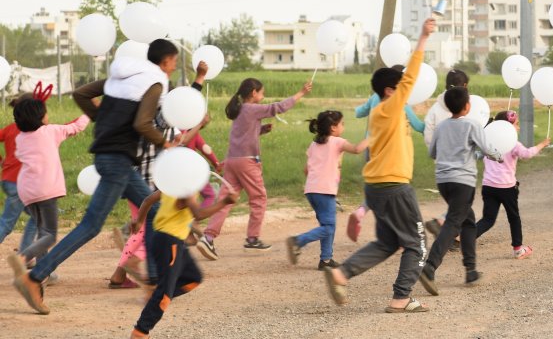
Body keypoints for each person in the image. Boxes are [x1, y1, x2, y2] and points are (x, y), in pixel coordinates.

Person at [12, 39, 178, 315]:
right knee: (90, 226)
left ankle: (151, 278)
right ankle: (35, 276)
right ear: (165, 62)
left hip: (107, 156)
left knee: (155, 211)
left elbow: (80, 94)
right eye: (173, 62)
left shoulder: (123, 76)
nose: (173, 67)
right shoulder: (155, 83)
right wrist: (166, 143)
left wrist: (104, 120)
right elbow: (142, 124)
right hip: (119, 160)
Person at [322, 17, 436, 314]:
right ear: (389, 90)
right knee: (417, 244)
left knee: (387, 243)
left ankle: (341, 273)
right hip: (394, 186)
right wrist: (423, 37)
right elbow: (409, 76)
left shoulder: (380, 112)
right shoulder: (391, 106)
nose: (405, 91)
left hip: (376, 186)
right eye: (398, 88)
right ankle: (401, 298)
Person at [112, 61, 210, 288]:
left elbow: (181, 138)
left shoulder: (145, 118)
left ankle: (121, 273)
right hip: (147, 181)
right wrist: (199, 79)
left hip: (142, 179)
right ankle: (146, 272)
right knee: (148, 229)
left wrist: (199, 126)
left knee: (143, 226)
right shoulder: (157, 118)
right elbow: (178, 110)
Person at [198, 76, 311, 259]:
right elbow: (278, 107)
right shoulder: (253, 109)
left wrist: (261, 130)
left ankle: (208, 237)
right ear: (254, 93)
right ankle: (252, 239)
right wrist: (301, 93)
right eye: (262, 93)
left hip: (232, 161)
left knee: (226, 201)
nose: (263, 96)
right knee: (259, 198)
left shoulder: (240, 110)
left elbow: (243, 134)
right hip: (247, 162)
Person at [420, 88, 503, 291]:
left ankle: (471, 270)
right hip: (462, 182)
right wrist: (498, 156)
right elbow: (486, 149)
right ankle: (429, 267)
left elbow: (432, 152)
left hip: (443, 182)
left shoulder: (441, 127)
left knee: (468, 222)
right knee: (453, 223)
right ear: (467, 106)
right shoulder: (472, 125)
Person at [129, 189, 236, 338]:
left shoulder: (170, 185)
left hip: (170, 241)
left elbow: (148, 200)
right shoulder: (186, 189)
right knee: (164, 293)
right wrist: (224, 202)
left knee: (193, 277)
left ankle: (157, 296)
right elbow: (198, 214)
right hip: (169, 242)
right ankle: (140, 331)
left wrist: (139, 220)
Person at [8, 87, 89, 271]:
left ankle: (43, 272)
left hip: (27, 191)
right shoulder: (50, 131)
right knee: (50, 235)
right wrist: (90, 113)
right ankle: (23, 257)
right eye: (45, 113)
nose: (48, 115)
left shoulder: (21, 138)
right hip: (45, 189)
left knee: (42, 231)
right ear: (39, 117)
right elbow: (75, 127)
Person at [346, 68, 424, 243]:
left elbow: (358, 112)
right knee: (393, 191)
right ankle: (403, 237)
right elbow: (419, 126)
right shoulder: (400, 105)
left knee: (378, 186)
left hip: (370, 147)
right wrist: (436, 127)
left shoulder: (375, 98)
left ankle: (361, 212)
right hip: (392, 152)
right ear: (392, 89)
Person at [286, 110, 368, 270]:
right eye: (342, 124)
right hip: (325, 191)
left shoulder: (314, 144)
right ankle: (298, 241)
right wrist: (372, 138)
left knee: (325, 225)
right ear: (332, 128)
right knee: (329, 227)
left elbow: (306, 170)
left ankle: (326, 260)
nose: (343, 126)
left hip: (311, 190)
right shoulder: (337, 141)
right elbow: (357, 149)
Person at [475, 111, 549, 259]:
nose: (519, 128)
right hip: (507, 188)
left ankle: (466, 237)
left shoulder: (488, 141)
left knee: (488, 219)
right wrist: (543, 144)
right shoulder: (513, 144)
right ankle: (518, 249)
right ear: (508, 127)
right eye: (517, 124)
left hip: (488, 187)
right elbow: (527, 154)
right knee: (514, 218)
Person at [0, 95, 37, 254]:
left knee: (38, 217)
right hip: (19, 183)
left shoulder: (9, 128)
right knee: (6, 224)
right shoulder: (33, 129)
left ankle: (25, 254)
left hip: (8, 181)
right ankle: (25, 254)